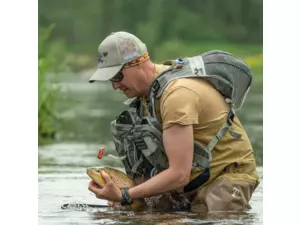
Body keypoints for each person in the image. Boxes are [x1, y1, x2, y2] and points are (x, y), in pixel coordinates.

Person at [88, 31, 260, 213]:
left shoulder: (176, 95)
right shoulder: (147, 97)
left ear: (137, 62)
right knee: (142, 214)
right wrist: (129, 199)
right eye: (110, 80)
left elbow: (179, 174)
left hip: (227, 176)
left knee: (209, 217)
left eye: (117, 77)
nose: (115, 86)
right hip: (192, 179)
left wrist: (126, 195)